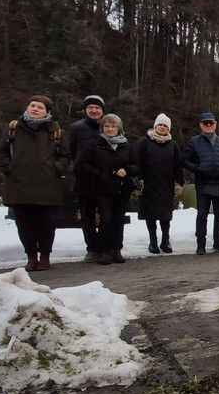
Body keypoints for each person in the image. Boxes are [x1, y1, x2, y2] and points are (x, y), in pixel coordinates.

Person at [0, 95, 72, 271]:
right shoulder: (14, 128)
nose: (35, 109)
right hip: (19, 184)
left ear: (48, 112)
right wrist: (9, 169)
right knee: (24, 224)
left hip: (47, 186)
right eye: (32, 105)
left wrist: (56, 168)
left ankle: (45, 256)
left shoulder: (56, 131)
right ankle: (31, 256)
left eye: (40, 107)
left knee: (47, 224)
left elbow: (65, 155)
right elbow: (1, 151)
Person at [74, 114, 137, 265]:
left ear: (119, 128)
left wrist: (127, 170)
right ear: (102, 128)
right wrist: (100, 174)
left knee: (118, 219)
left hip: (122, 188)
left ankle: (115, 249)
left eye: (113, 126)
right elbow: (82, 165)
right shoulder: (94, 144)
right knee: (106, 219)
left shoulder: (126, 146)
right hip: (102, 188)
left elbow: (137, 165)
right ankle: (102, 250)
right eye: (107, 126)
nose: (110, 129)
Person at [135, 113, 184, 254]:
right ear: (155, 126)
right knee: (150, 215)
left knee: (165, 216)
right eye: (160, 124)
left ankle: (165, 241)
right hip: (148, 184)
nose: (162, 127)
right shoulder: (144, 142)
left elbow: (178, 165)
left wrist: (179, 183)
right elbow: (136, 161)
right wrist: (138, 181)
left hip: (166, 185)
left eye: (165, 125)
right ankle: (153, 242)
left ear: (168, 128)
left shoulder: (173, 145)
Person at [184, 112, 219, 254]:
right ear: (201, 125)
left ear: (216, 124)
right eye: (206, 123)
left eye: (211, 123)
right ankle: (201, 245)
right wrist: (197, 169)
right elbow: (185, 160)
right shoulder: (194, 142)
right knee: (202, 215)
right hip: (203, 183)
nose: (209, 126)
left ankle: (218, 243)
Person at [68, 94, 107, 262]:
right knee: (87, 216)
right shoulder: (76, 128)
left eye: (97, 108)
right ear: (85, 110)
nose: (94, 110)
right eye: (90, 107)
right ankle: (92, 248)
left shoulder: (108, 126)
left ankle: (104, 246)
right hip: (84, 179)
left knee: (106, 215)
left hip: (104, 179)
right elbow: (71, 152)